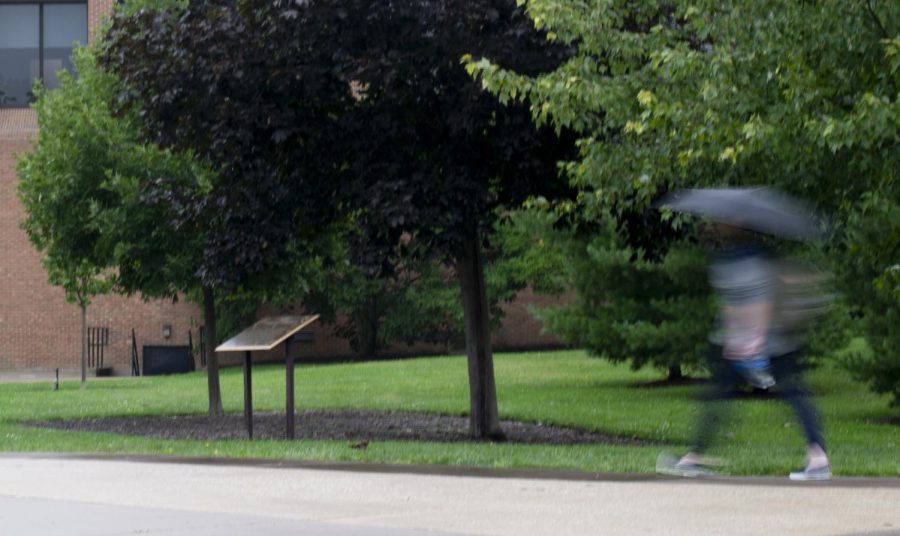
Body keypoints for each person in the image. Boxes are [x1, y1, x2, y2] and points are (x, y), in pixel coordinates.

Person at [658, 222, 831, 481]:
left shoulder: (745, 259)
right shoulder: (741, 257)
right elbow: (731, 304)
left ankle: (818, 459)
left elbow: (761, 301)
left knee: (736, 394)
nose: (711, 227)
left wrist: (754, 340)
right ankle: (817, 458)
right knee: (738, 394)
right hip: (756, 341)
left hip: (762, 342)